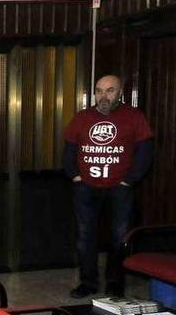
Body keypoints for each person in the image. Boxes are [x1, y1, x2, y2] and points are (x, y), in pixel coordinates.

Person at [63, 74, 153, 298]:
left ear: (120, 93)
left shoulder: (134, 117)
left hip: (119, 188)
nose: (103, 95)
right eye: (99, 90)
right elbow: (69, 150)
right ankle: (88, 283)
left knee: (119, 236)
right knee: (85, 236)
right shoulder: (82, 118)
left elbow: (145, 153)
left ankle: (114, 282)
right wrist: (74, 176)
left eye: (110, 90)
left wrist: (128, 180)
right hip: (86, 188)